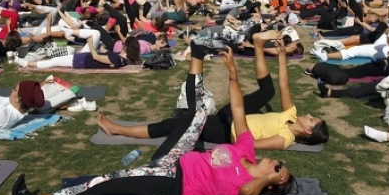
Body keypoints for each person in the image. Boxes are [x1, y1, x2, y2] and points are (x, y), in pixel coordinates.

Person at [11, 44, 295, 195]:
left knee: (106, 182)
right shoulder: (246, 150)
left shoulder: (248, 188)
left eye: (279, 167)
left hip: (174, 180)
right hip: (181, 156)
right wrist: (233, 73)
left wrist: (267, 179)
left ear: (277, 179)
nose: (276, 162)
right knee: (194, 115)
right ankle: (197, 55)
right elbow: (237, 110)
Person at [99, 29, 328, 149]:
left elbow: (250, 144)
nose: (309, 115)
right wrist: (280, 55)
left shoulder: (286, 138)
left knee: (176, 125)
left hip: (227, 131)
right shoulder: (291, 115)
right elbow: (284, 84)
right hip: (233, 114)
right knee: (268, 92)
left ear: (308, 131)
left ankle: (118, 129)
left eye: (312, 120)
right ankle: (258, 44)